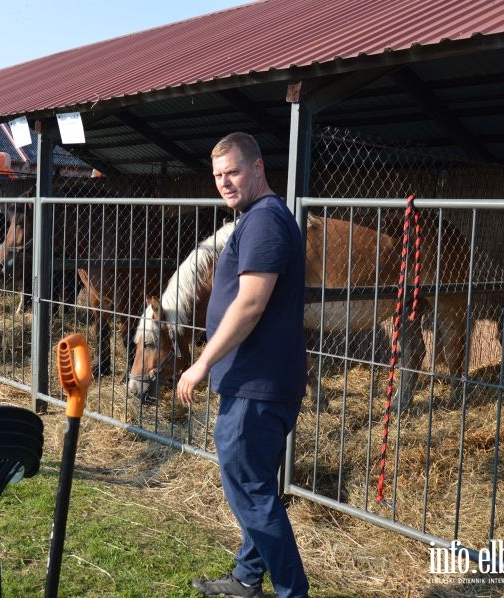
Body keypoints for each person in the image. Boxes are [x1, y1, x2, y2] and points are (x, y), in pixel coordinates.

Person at [177, 132, 309, 598]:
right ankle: (247, 578)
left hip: (257, 384)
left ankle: (292, 592)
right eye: (217, 175)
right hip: (260, 381)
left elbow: (250, 304)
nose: (224, 183)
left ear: (257, 168)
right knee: (258, 489)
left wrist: (200, 364)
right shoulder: (257, 218)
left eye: (232, 171)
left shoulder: (265, 222)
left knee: (251, 494)